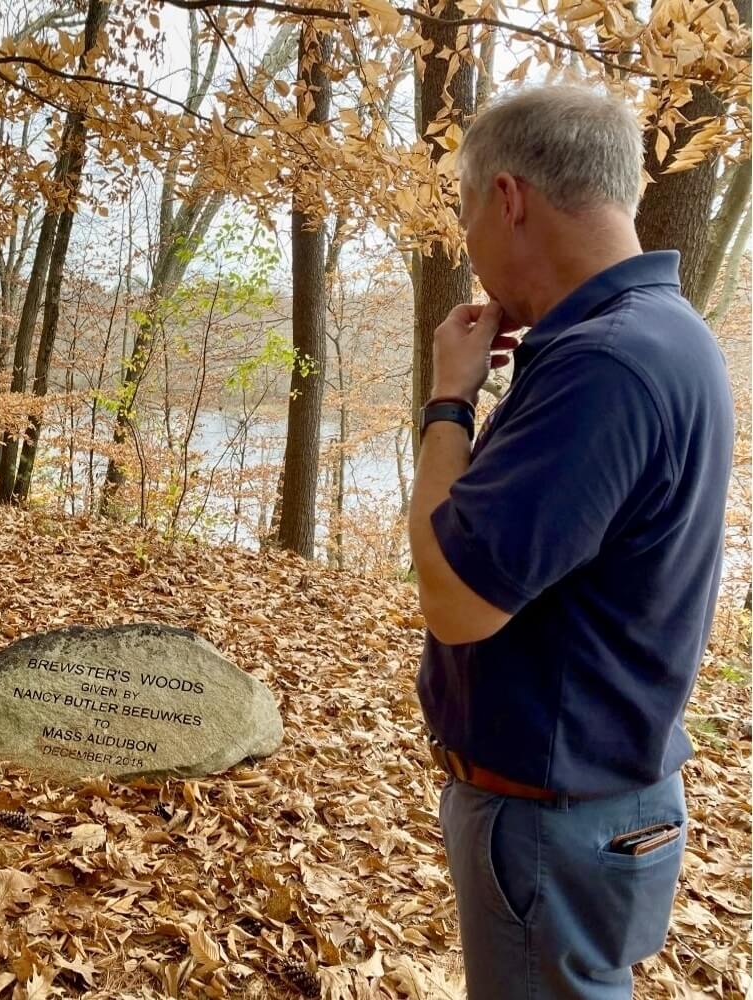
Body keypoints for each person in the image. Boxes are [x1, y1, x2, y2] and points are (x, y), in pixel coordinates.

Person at [406, 84, 734, 999]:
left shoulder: (604, 365)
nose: (469, 243)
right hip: (598, 801)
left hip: (557, 822)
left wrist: (448, 403)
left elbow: (455, 600)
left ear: (509, 198)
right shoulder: (668, 336)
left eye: (469, 213)